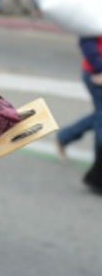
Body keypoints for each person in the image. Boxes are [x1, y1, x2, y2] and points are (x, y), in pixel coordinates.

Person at [55, 32, 102, 195]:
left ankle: (65, 136)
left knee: (99, 115)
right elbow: (87, 41)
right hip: (97, 74)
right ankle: (99, 173)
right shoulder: (95, 12)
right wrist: (99, 68)